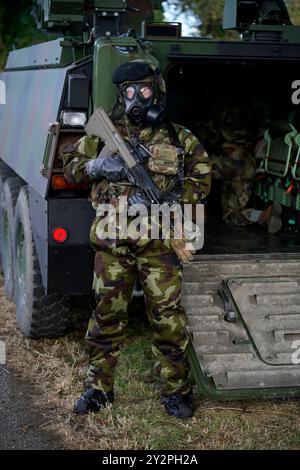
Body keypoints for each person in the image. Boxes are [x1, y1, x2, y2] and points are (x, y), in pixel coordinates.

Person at [63, 60, 212, 419]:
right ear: (121, 95)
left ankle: (175, 392)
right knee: (106, 316)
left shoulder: (179, 137)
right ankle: (99, 389)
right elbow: (69, 165)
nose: (137, 98)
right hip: (113, 243)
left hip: (159, 246)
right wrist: (99, 167)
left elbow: (202, 179)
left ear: (155, 93)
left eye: (144, 90)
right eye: (130, 92)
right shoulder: (102, 134)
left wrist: (172, 199)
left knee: (167, 319)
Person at [196, 100, 282, 234]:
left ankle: (197, 211)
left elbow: (200, 140)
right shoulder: (255, 115)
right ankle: (262, 215)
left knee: (187, 169)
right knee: (233, 215)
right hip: (247, 166)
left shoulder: (216, 114)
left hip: (224, 161)